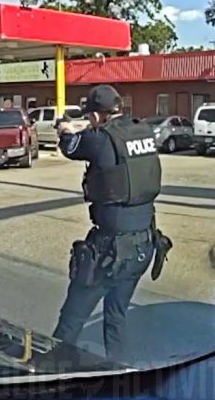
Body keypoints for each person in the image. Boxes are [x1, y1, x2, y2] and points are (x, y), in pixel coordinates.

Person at [52, 84, 164, 363]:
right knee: (116, 316)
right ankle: (120, 373)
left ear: (95, 115)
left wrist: (65, 128)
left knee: (72, 317)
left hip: (110, 251)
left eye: (90, 116)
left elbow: (70, 146)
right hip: (144, 243)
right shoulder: (143, 130)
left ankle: (54, 376)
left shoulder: (100, 138)